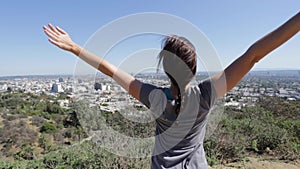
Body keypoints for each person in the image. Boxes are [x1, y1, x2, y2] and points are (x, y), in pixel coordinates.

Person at [43, 12, 299, 169]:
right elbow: (253, 55)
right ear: (194, 66)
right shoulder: (206, 94)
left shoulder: (153, 98)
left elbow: (110, 69)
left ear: (165, 68)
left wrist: (75, 47)